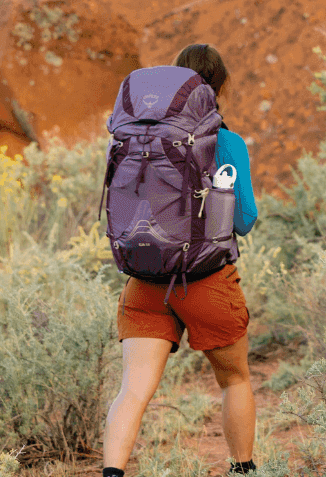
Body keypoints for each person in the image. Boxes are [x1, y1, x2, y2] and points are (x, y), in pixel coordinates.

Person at [101, 44, 260, 476]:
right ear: (219, 87)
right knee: (235, 380)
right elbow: (244, 221)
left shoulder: (137, 136)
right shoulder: (226, 141)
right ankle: (243, 470)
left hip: (146, 282)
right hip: (207, 280)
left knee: (131, 392)